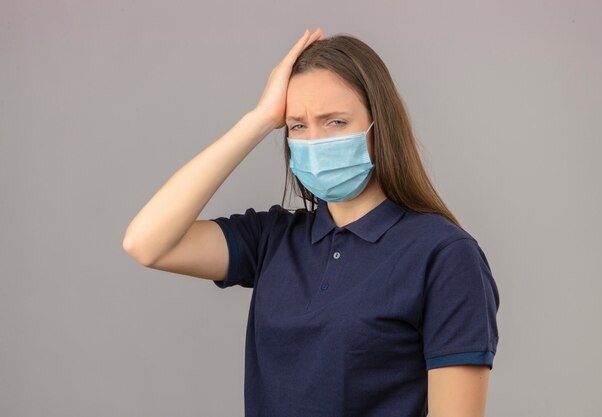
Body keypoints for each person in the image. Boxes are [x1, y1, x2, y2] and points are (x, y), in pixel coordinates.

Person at [123, 27, 500, 417]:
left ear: (379, 128)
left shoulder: (444, 255)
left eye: (335, 122)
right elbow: (147, 242)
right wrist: (257, 119)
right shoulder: (273, 239)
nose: (315, 142)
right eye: (298, 126)